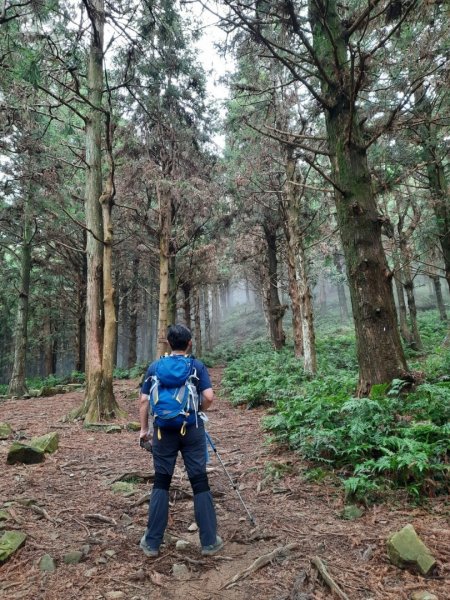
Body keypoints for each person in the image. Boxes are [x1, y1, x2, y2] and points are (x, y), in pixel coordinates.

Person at [138, 323, 223, 558]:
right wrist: (197, 410)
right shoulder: (196, 366)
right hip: (192, 429)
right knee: (199, 481)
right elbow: (209, 397)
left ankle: (152, 542)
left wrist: (145, 430)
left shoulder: (155, 367)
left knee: (161, 482)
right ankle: (208, 541)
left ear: (167, 342)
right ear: (189, 343)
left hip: (163, 432)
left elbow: (144, 400)